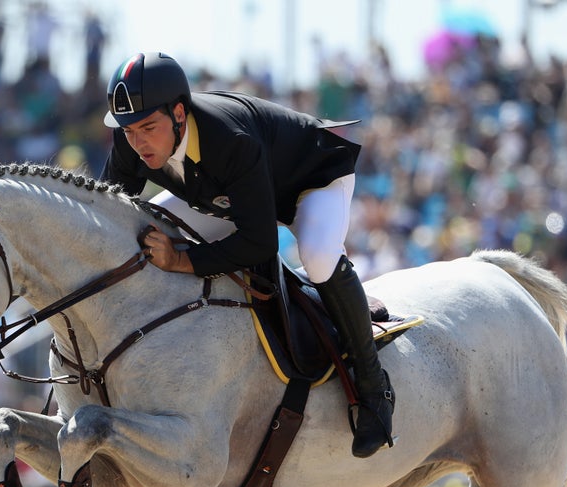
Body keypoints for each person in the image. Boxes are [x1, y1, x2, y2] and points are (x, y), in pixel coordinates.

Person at [100, 51, 394, 458]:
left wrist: (182, 261)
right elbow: (107, 215)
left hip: (310, 180)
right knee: (148, 230)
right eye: (129, 130)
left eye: (148, 127)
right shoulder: (131, 140)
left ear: (180, 114)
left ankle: (374, 387)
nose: (138, 142)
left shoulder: (228, 139)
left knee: (318, 256)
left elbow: (259, 242)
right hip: (235, 194)